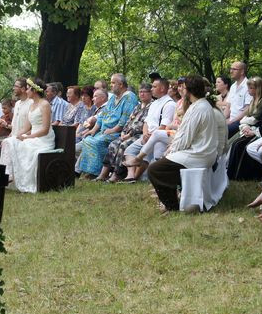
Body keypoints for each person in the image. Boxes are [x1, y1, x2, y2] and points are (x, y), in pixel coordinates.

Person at [147, 76, 222, 213]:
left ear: (189, 90)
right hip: (201, 152)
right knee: (162, 166)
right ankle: (175, 200)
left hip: (198, 154)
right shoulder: (201, 105)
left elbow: (185, 138)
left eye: (183, 87)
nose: (180, 89)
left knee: (154, 170)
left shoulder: (198, 108)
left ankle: (172, 206)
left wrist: (170, 152)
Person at [75, 74, 139, 178]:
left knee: (96, 142)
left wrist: (113, 130)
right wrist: (94, 130)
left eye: (113, 83)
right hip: (104, 130)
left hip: (118, 132)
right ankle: (91, 171)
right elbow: (102, 115)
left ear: (121, 84)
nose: (111, 85)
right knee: (88, 139)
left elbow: (125, 119)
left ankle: (98, 172)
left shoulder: (129, 97)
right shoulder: (113, 97)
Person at [0, 78, 55, 192]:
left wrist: (27, 137)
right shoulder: (32, 105)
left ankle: (17, 179)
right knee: (8, 142)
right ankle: (7, 175)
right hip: (33, 136)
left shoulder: (45, 104)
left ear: (34, 90)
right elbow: (25, 127)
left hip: (43, 139)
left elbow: (45, 129)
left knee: (24, 147)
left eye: (29, 89)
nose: (27, 91)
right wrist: (15, 136)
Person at [97, 83, 153, 182]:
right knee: (113, 144)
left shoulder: (152, 106)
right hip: (127, 134)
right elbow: (128, 121)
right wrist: (123, 132)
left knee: (123, 145)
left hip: (139, 135)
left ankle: (117, 174)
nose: (142, 94)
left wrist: (128, 135)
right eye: (140, 92)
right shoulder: (138, 106)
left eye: (145, 92)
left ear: (150, 93)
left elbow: (143, 124)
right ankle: (104, 174)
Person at [225, 61, 253, 137]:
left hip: (241, 122)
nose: (231, 71)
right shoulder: (233, 86)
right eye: (230, 69)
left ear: (242, 71)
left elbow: (247, 109)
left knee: (220, 132)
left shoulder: (248, 86)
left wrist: (231, 121)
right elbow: (228, 106)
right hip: (231, 120)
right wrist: (223, 120)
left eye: (234, 69)